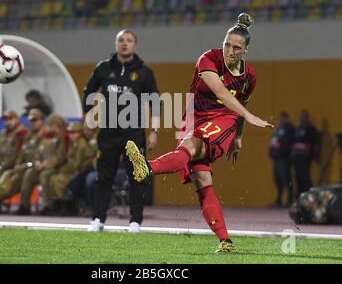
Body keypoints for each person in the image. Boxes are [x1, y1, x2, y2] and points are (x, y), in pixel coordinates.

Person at [125, 13, 273, 252]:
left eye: (237, 48)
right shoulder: (208, 59)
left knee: (191, 148)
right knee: (202, 180)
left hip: (223, 121)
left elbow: (238, 104)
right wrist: (249, 116)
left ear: (246, 50)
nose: (230, 52)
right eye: (227, 45)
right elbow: (222, 92)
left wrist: (238, 136)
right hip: (194, 120)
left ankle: (147, 167)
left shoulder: (249, 77)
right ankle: (226, 241)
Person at [83, 29, 160, 232]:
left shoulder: (145, 72)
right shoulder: (103, 68)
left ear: (135, 45)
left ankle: (135, 221)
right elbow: (88, 92)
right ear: (116, 44)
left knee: (137, 177)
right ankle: (98, 219)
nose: (125, 43)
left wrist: (154, 131)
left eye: (129, 40)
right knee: (103, 177)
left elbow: (156, 102)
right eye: (121, 40)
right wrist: (89, 118)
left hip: (133, 133)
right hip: (107, 132)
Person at [269, 111, 295, 208]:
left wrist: (282, 151)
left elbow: (289, 143)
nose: (281, 120)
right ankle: (279, 199)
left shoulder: (289, 129)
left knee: (286, 179)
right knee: (278, 180)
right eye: (280, 118)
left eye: (283, 118)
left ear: (286, 118)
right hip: (277, 157)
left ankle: (289, 200)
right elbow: (273, 141)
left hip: (284, 158)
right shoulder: (278, 129)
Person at [292, 110, 318, 196]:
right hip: (297, 156)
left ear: (307, 117)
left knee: (305, 176)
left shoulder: (311, 128)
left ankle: (308, 194)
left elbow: (314, 143)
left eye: (303, 117)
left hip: (305, 156)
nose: (301, 119)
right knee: (298, 177)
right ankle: (299, 195)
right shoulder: (298, 128)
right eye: (300, 117)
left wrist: (313, 155)